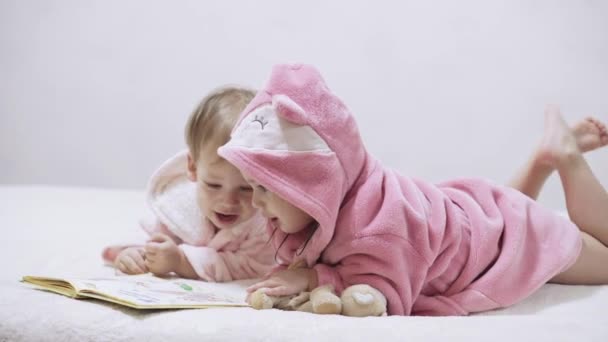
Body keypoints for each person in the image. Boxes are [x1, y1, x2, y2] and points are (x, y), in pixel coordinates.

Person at [218, 63, 608, 315]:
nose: (256, 202)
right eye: (254, 188)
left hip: (505, 234)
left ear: (312, 183)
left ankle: (567, 157)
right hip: (480, 218)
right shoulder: (334, 202)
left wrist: (313, 279)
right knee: (506, 220)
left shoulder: (376, 228)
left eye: (266, 189)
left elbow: (384, 293)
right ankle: (542, 159)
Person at [102, 86, 274, 282]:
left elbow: (251, 266)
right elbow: (149, 235)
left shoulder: (265, 223)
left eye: (246, 188)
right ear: (193, 168)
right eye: (213, 185)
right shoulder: (181, 204)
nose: (228, 201)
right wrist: (134, 253)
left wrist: (181, 261)